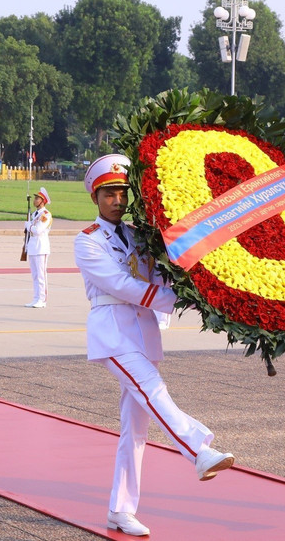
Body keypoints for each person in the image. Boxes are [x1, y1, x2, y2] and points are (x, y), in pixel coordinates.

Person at [74, 154, 233, 537]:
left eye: (121, 192)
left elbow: (162, 275)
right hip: (113, 332)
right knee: (154, 391)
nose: (116, 200)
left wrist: (199, 292)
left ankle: (120, 510)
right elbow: (123, 286)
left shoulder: (137, 235)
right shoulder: (88, 241)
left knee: (135, 428)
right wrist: (178, 301)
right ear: (95, 198)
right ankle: (199, 449)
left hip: (144, 332)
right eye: (108, 193)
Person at [24, 187, 52, 309]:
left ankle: (42, 299)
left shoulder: (45, 215)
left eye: (37, 198)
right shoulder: (35, 214)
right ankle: (36, 298)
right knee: (35, 275)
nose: (35, 200)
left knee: (41, 275)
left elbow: (38, 230)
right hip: (33, 248)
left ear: (43, 201)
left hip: (41, 248)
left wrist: (28, 226)